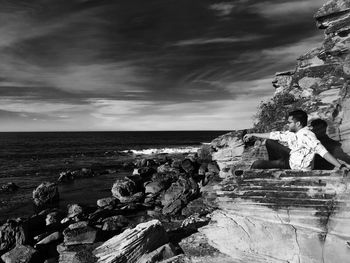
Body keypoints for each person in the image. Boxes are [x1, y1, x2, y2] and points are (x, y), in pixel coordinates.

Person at [243, 109, 348, 171]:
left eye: (290, 122)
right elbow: (275, 134)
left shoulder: (307, 135)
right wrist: (253, 134)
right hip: (292, 156)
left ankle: (251, 180)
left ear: (297, 124)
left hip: (294, 166)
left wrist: (341, 166)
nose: (287, 124)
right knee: (270, 141)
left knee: (257, 164)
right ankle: (273, 165)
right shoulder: (294, 133)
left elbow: (323, 151)